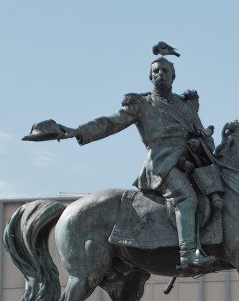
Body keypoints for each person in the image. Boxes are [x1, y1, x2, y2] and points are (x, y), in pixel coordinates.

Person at [59, 58, 217, 270]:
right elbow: (111, 123)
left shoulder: (185, 106)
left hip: (190, 162)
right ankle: (188, 253)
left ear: (173, 76)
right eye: (156, 71)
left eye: (165, 70)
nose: (160, 73)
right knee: (186, 198)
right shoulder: (142, 104)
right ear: (150, 77)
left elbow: (205, 137)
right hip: (162, 164)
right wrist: (79, 131)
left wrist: (201, 143)